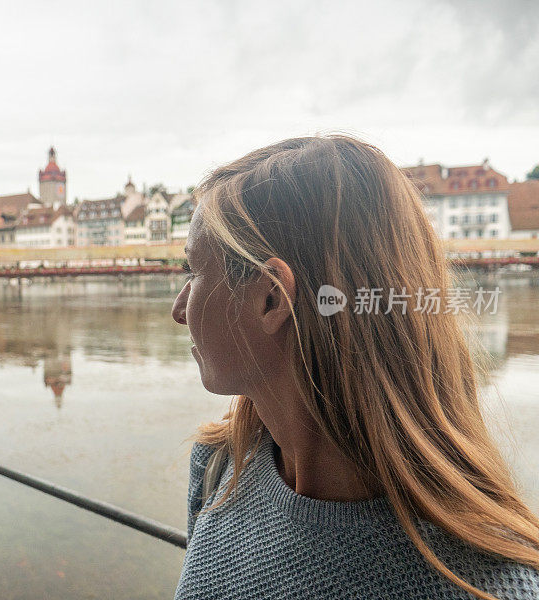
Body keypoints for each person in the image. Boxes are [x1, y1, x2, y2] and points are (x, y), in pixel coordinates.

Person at [171, 135, 539, 599]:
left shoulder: (496, 588)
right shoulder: (221, 463)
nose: (179, 308)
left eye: (193, 273)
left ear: (271, 298)